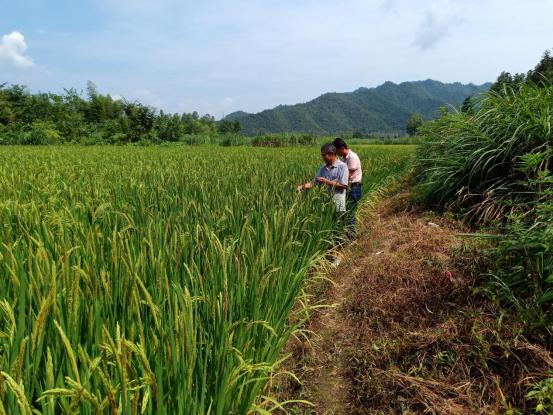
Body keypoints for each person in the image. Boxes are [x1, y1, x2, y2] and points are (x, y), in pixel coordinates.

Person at [297, 143, 349, 213]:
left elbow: (344, 186)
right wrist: (302, 187)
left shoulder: (342, 167)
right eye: (322, 155)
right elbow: (313, 183)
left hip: (338, 205)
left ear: (332, 154)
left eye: (324, 155)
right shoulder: (322, 168)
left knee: (340, 223)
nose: (323, 157)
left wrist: (326, 181)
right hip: (325, 204)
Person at [333, 137, 363, 230]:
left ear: (342, 148)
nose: (336, 154)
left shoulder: (352, 157)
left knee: (351, 212)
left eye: (337, 151)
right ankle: (347, 234)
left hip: (354, 188)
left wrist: (332, 183)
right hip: (348, 188)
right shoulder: (344, 158)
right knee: (347, 212)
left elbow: (347, 176)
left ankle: (351, 237)